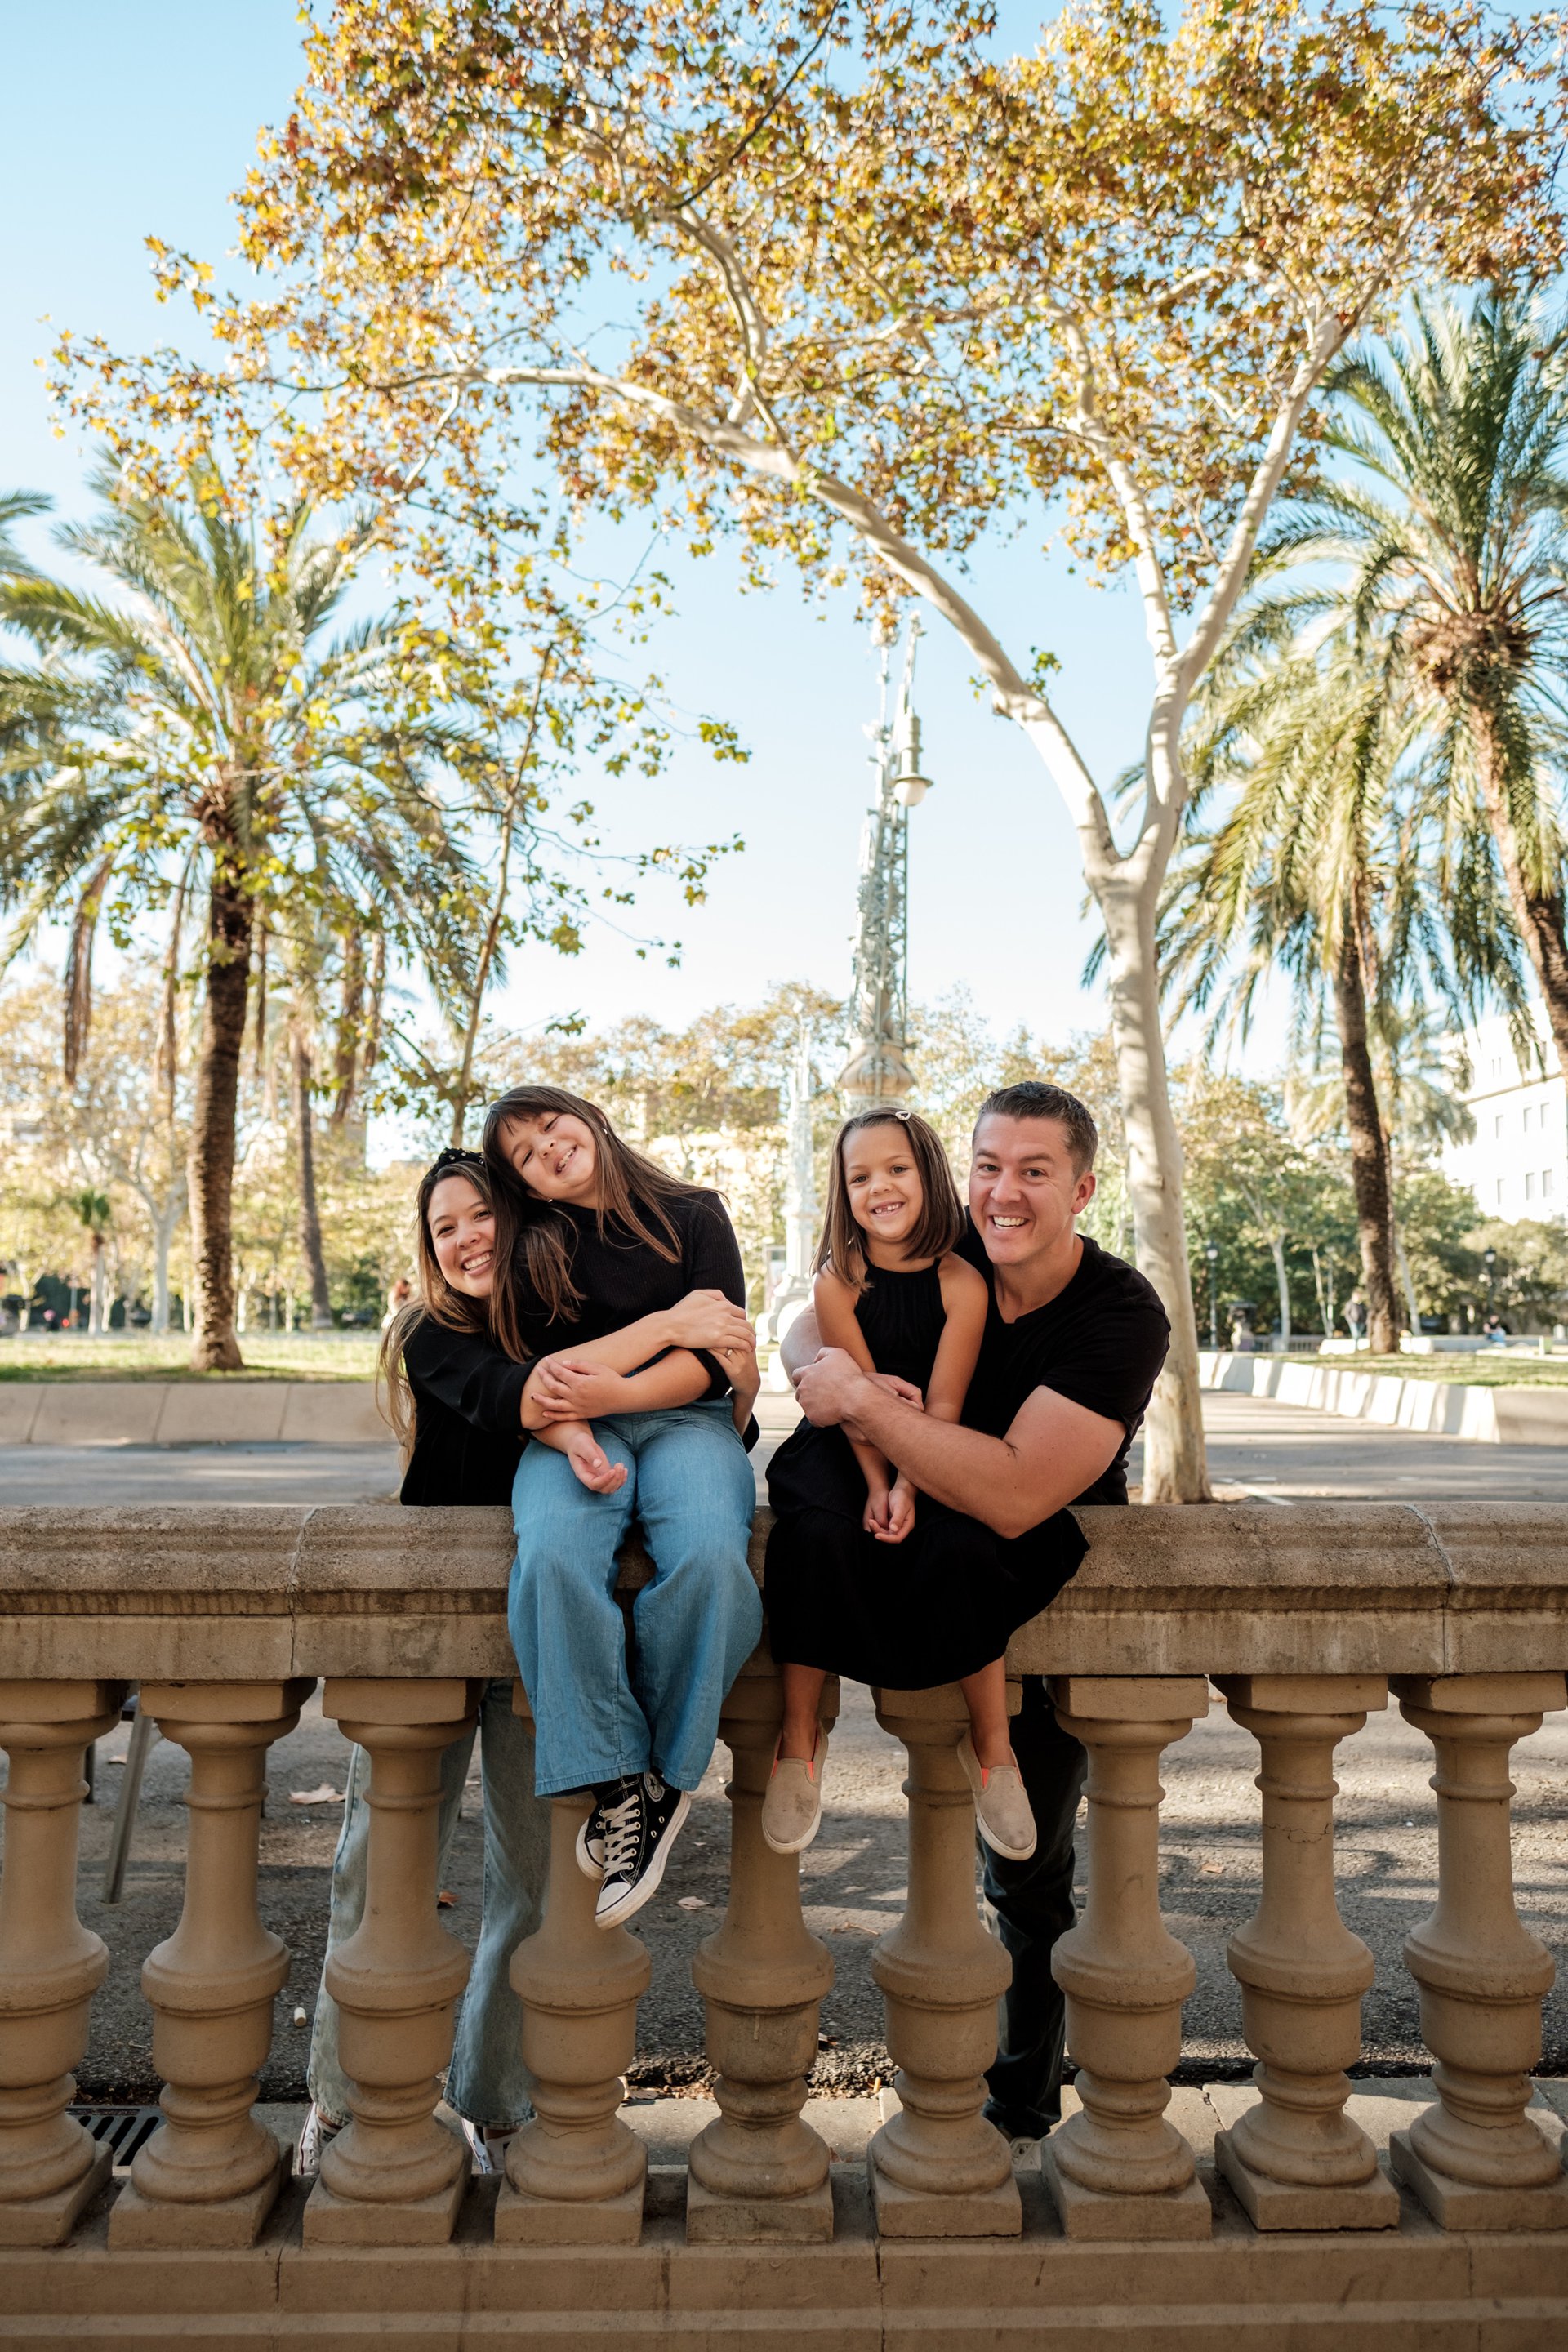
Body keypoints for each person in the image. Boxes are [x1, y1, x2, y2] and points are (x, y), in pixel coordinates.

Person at [782, 1080, 1169, 2153]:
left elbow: (1012, 1491)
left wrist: (861, 1399)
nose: (1003, 1192)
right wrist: (821, 1368)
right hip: (908, 1553)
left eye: (1034, 1172)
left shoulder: (1119, 1313)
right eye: (989, 1166)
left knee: (1029, 1882)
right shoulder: (939, 1251)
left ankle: (1020, 2110)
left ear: (1082, 1190)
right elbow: (812, 1320)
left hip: (1029, 1602)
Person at [483, 1084, 764, 1931]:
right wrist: (596, 1405)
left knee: (712, 1555)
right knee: (553, 1554)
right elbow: (542, 1378)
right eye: (524, 1154)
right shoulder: (529, 1250)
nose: (546, 1148)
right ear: (525, 1186)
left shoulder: (693, 1214)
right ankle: (616, 1779)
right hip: (572, 1430)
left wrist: (622, 1387)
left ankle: (666, 1778)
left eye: (550, 1125)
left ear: (590, 1117)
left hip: (688, 1418)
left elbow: (718, 1353)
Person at [762, 1108, 1054, 1863]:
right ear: (843, 1191)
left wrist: (911, 1489)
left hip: (936, 1441)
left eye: (897, 1169)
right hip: (846, 1444)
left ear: (929, 1174)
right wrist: (875, 1485)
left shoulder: (962, 1281)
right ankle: (799, 1737)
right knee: (812, 1538)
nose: (880, 1188)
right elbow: (852, 1397)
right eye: (860, 1177)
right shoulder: (837, 1280)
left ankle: (994, 1747)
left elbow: (946, 1404)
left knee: (966, 1543)